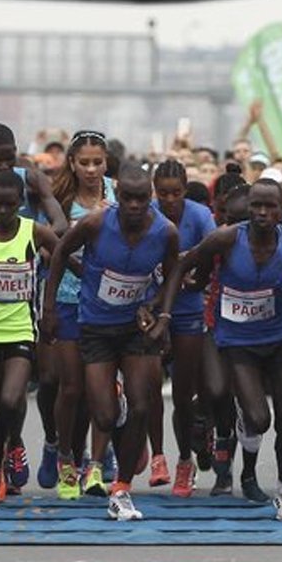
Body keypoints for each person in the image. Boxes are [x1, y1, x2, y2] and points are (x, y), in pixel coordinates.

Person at [44, 163, 179, 521]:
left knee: (141, 405)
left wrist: (160, 312)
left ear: (149, 197)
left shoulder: (165, 231)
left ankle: (121, 488)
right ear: (116, 197)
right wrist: (50, 308)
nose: (135, 206)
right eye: (128, 199)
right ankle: (112, 399)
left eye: (141, 199)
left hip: (136, 328)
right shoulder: (95, 223)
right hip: (97, 327)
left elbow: (173, 272)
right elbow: (59, 253)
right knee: (104, 415)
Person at [159, 179, 282, 515]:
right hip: (237, 340)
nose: (263, 213)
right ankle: (243, 463)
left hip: (279, 338)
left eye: (271, 207)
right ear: (248, 208)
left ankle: (281, 484)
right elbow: (186, 265)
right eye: (257, 206)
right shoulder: (227, 237)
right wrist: (164, 312)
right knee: (258, 418)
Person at [0, 171, 59, 506]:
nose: (4, 211)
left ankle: (9, 447)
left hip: (21, 328)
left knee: (8, 402)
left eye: (10, 204)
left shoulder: (33, 231)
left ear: (21, 204)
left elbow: (62, 254)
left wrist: (52, 301)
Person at [48, 131, 117, 499]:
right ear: (72, 163)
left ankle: (96, 465)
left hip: (109, 302)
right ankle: (64, 458)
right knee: (71, 388)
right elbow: (49, 249)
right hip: (69, 298)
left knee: (100, 390)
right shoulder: (60, 199)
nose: (91, 169)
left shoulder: (120, 195)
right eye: (84, 163)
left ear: (106, 162)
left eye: (98, 162)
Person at [148, 160, 216, 493]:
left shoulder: (200, 216)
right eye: (163, 193)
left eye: (175, 193)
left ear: (186, 190)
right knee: (146, 389)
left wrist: (197, 277)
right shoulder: (144, 212)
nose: (169, 199)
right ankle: (157, 455)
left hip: (188, 311)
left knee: (183, 394)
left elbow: (215, 255)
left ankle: (185, 461)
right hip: (150, 308)